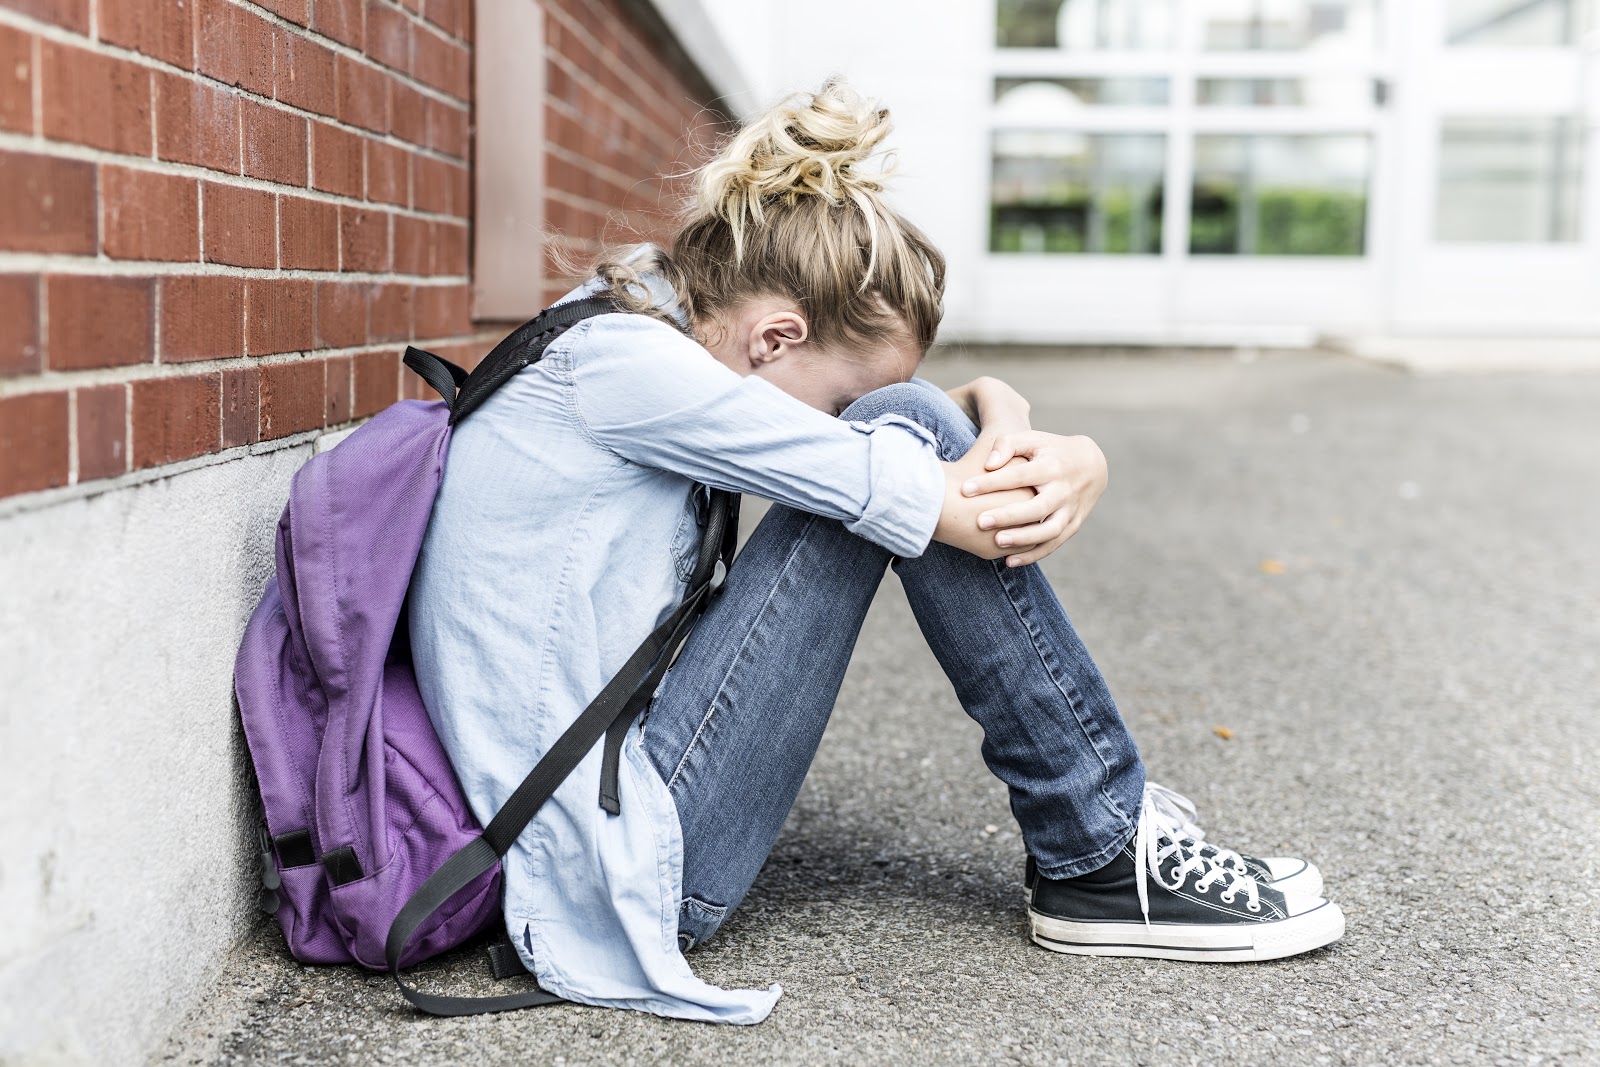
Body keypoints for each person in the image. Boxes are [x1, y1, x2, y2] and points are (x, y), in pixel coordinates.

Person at [407, 79, 1344, 1024]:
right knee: (901, 434)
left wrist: (1001, 416)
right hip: (614, 874)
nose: (838, 426)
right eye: (833, 406)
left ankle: (1101, 835)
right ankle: (1098, 845)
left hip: (587, 817)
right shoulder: (632, 372)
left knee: (903, 427)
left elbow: (916, 448)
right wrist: (1071, 454)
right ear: (777, 336)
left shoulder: (634, 321)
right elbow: (929, 484)